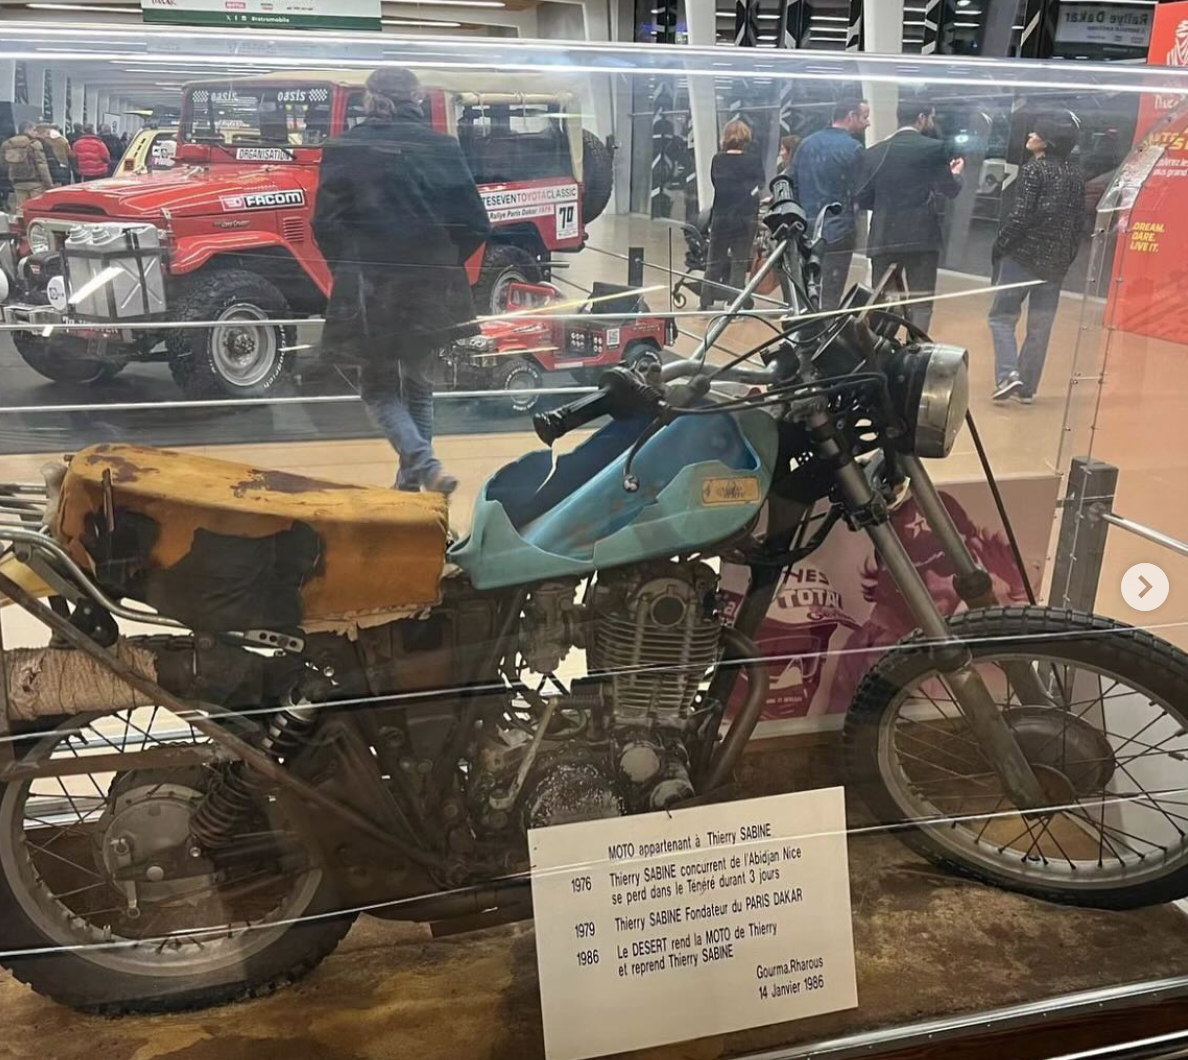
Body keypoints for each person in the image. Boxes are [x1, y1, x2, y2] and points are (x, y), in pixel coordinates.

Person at [312, 67, 490, 495]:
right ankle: (413, 489)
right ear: (418, 99)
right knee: (420, 387)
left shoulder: (345, 147)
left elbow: (325, 224)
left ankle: (423, 467)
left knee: (377, 389)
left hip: (371, 287)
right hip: (430, 288)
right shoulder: (442, 147)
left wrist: (350, 268)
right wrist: (441, 263)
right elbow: (475, 223)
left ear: (369, 99)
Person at [989, 114, 1086, 404]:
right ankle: (1027, 388)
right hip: (1056, 264)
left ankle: (1008, 375)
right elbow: (1078, 223)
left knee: (1001, 317)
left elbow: (1020, 217)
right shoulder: (1075, 175)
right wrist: (1067, 258)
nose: (1030, 135)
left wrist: (1000, 246)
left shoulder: (1034, 169)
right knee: (1040, 327)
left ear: (1047, 142)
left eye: (1036, 133)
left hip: (1022, 257)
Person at [858, 97, 964, 334]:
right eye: (931, 117)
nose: (932, 122)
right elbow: (950, 189)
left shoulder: (874, 153)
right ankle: (916, 349)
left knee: (883, 301)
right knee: (921, 303)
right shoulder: (935, 149)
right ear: (921, 118)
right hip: (921, 237)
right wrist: (957, 174)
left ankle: (880, 347)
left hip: (883, 236)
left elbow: (863, 198)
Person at [793, 98, 870, 309]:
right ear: (851, 116)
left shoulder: (806, 144)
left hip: (807, 229)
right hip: (839, 230)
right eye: (864, 117)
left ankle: (806, 327)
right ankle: (827, 327)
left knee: (807, 288)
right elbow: (861, 191)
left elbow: (792, 182)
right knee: (831, 294)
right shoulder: (854, 149)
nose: (868, 123)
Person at [703, 119, 766, 310]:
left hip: (721, 215)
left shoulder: (718, 160)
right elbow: (760, 184)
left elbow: (716, 183)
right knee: (739, 262)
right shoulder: (753, 160)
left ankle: (705, 301)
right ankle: (734, 303)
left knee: (714, 260)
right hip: (745, 217)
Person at [2, 120, 52, 206]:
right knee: (35, 206)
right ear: (27, 130)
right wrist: (49, 184)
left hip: (17, 182)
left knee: (21, 207)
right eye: (34, 130)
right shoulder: (35, 144)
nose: (36, 132)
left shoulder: (7, 144)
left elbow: (4, 164)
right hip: (35, 182)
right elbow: (42, 166)